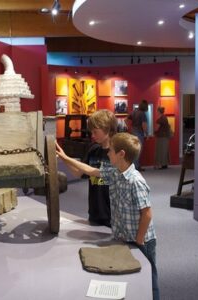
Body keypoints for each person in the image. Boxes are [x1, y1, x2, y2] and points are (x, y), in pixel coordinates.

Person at [56, 132, 160, 300]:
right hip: (123, 238)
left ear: (121, 154)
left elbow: (147, 214)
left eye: (110, 151)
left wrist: (139, 241)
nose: (108, 153)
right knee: (129, 278)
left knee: (149, 279)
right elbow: (90, 170)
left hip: (141, 241)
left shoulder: (136, 181)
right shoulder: (114, 173)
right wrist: (65, 157)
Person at [62, 109, 117, 227]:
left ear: (107, 129)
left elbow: (93, 171)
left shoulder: (118, 152)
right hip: (95, 212)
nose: (92, 135)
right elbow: (80, 173)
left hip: (114, 214)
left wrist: (66, 158)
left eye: (95, 132)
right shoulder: (94, 149)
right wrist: (63, 159)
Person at [125, 99, 148, 171]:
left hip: (133, 132)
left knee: (134, 150)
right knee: (138, 150)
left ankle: (135, 166)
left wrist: (129, 127)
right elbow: (144, 125)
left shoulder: (134, 112)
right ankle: (136, 167)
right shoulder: (142, 114)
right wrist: (146, 134)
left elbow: (125, 120)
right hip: (139, 133)